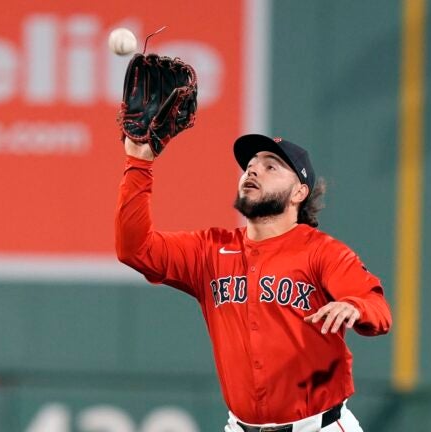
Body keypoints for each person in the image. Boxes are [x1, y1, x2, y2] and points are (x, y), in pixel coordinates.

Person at [115, 133, 392, 431]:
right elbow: (135, 248)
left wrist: (355, 306)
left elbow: (378, 309)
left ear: (298, 193)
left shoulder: (322, 251)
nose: (253, 170)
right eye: (250, 165)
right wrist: (139, 161)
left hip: (318, 426)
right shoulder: (210, 251)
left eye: (271, 166)